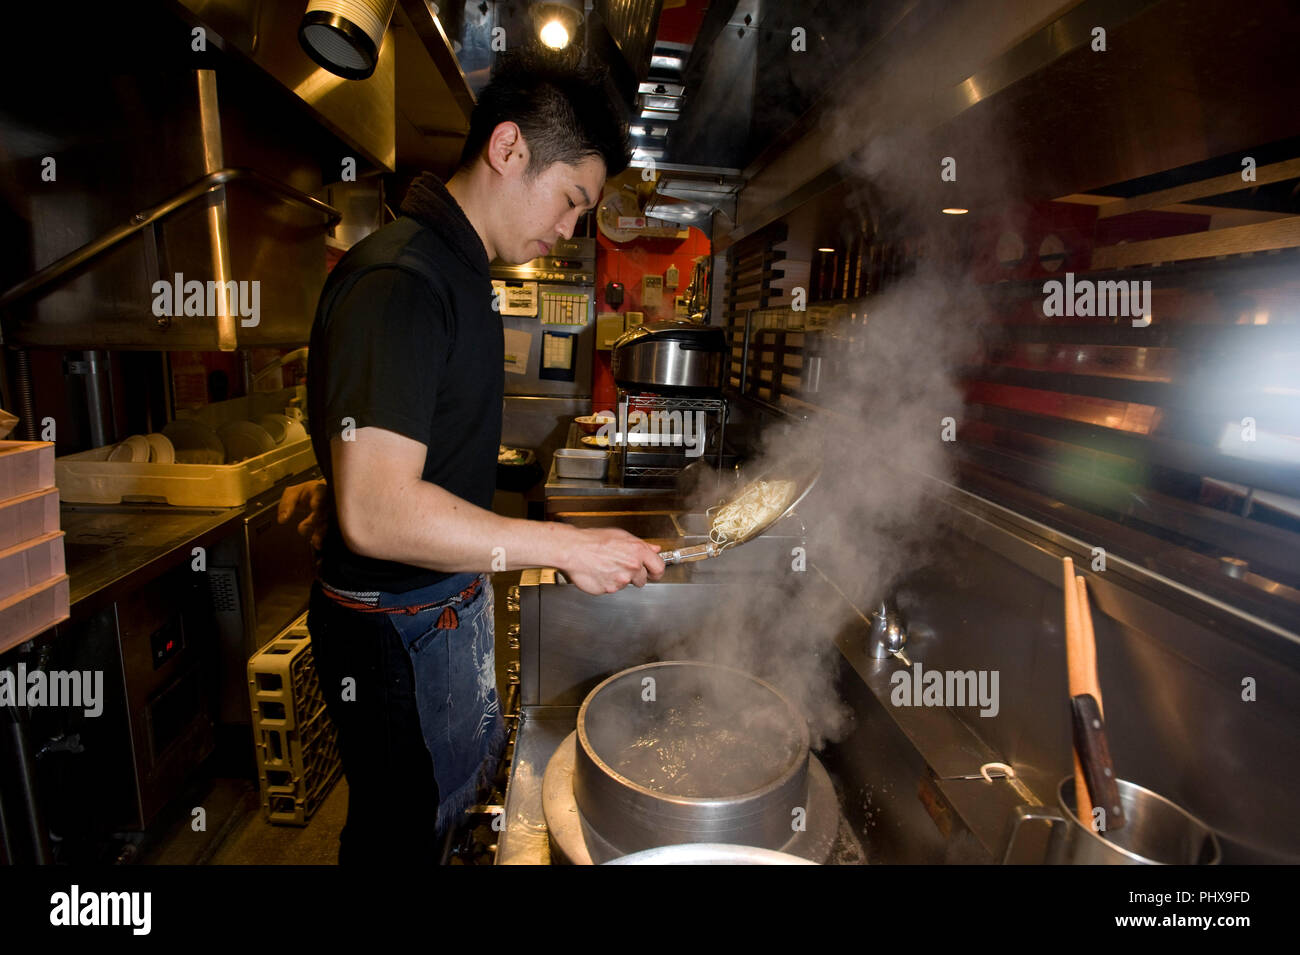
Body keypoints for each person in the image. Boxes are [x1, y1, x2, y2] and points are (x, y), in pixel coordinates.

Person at [289, 49, 665, 865]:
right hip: (398, 638)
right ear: (508, 149)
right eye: (573, 200)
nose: (571, 228)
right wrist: (568, 546)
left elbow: (391, 461)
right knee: (404, 838)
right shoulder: (403, 278)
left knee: (450, 823)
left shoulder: (458, 273)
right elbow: (379, 508)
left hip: (434, 615)